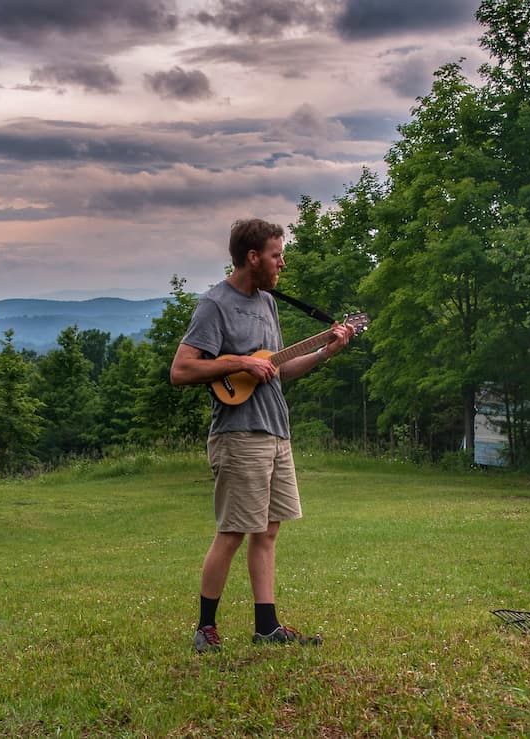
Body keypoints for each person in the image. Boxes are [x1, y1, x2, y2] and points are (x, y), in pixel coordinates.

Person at [169, 218, 354, 652]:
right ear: (253, 257)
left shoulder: (268, 303)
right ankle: (205, 628)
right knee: (233, 530)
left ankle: (266, 627)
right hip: (238, 434)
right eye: (276, 255)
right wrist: (239, 362)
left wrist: (325, 351)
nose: (281, 263)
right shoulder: (214, 304)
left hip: (275, 429)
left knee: (268, 531)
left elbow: (278, 369)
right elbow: (181, 370)